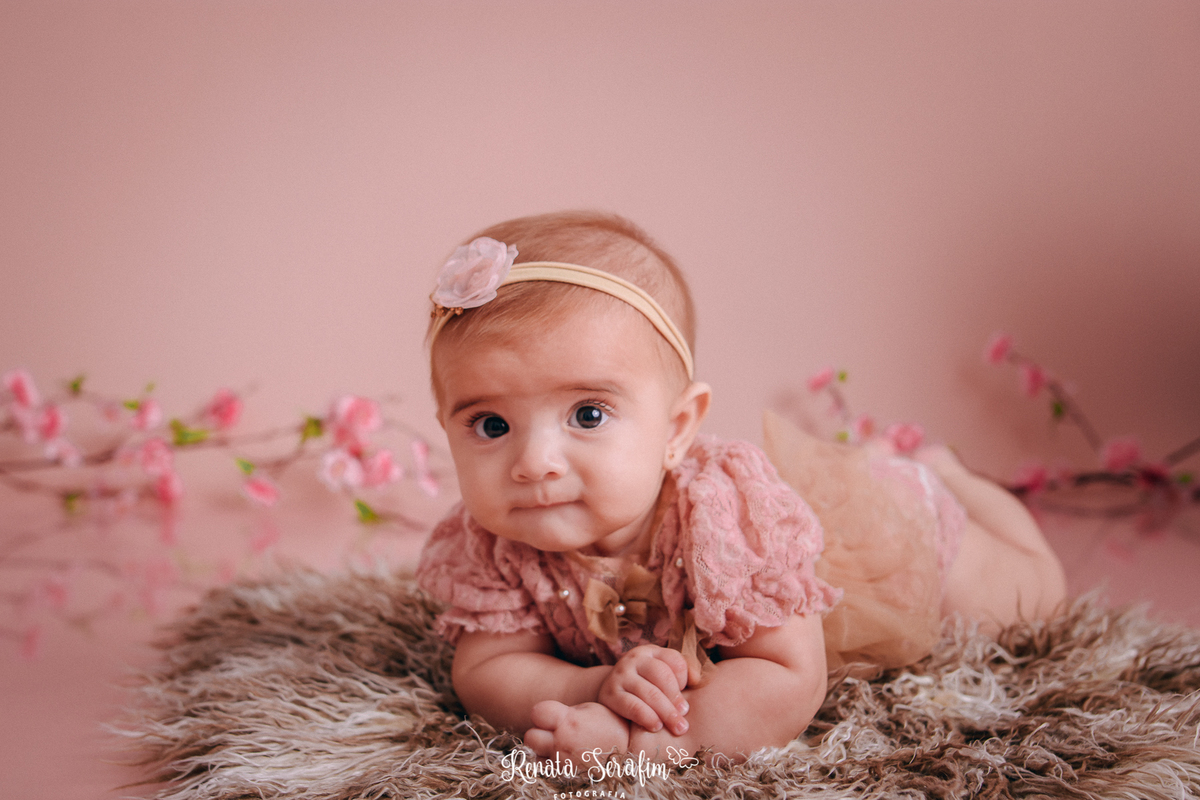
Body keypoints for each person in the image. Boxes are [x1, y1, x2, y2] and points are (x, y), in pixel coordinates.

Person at [415, 211, 1067, 764]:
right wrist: (595, 687)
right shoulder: (491, 543)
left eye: (587, 415)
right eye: (491, 424)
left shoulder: (723, 520)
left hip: (880, 537)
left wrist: (651, 745)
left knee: (1028, 598)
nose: (534, 462)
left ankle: (950, 479)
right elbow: (485, 671)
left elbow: (788, 674)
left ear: (678, 428)